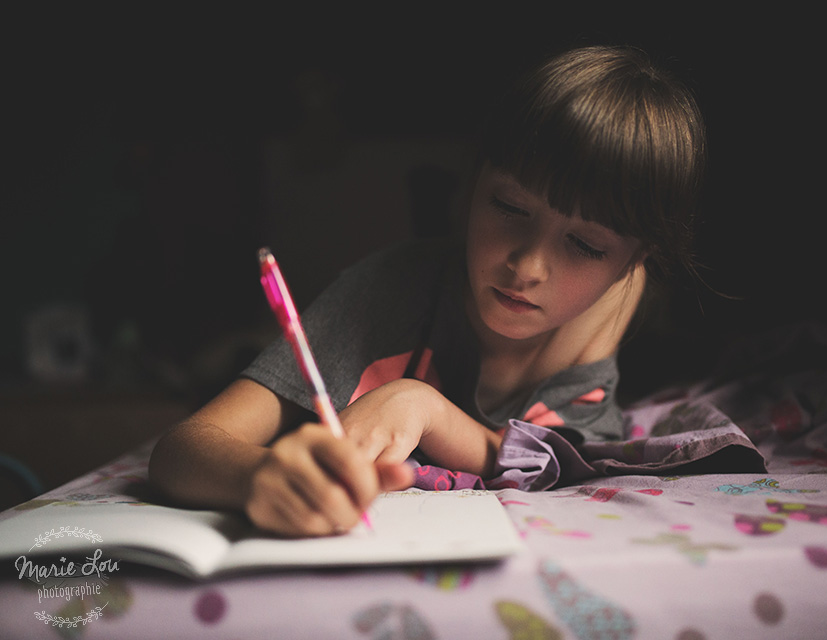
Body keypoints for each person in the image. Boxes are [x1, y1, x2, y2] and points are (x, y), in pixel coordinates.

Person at [149, 44, 707, 537]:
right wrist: (260, 476)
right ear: (472, 186)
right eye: (510, 208)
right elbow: (182, 449)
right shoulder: (385, 295)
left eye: (584, 245)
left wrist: (421, 406)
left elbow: (557, 458)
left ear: (633, 264)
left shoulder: (597, 327)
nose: (528, 266)